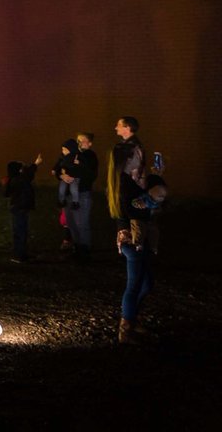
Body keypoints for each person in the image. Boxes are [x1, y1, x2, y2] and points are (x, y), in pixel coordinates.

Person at [106, 116, 164, 344]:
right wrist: (152, 197)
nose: (140, 158)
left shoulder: (130, 182)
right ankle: (126, 329)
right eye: (136, 156)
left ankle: (131, 320)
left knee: (147, 283)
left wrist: (156, 180)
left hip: (140, 233)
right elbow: (135, 207)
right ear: (128, 160)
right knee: (134, 284)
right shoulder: (125, 186)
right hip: (133, 236)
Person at [63, 132, 99, 260]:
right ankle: (76, 247)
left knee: (82, 223)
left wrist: (80, 165)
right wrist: (61, 175)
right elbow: (60, 168)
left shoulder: (90, 156)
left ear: (90, 143)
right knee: (71, 223)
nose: (79, 143)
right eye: (78, 140)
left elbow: (91, 175)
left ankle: (84, 250)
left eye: (82, 140)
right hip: (69, 194)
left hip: (82, 193)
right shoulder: (71, 154)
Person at [3, 159, 36, 262]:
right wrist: (34, 165)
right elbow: (28, 176)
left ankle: (19, 252)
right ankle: (20, 255)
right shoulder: (19, 180)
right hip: (20, 208)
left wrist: (35, 164)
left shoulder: (12, 179)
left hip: (16, 208)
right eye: (21, 168)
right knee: (21, 231)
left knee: (19, 230)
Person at [51, 138, 80, 209]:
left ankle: (75, 202)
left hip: (73, 177)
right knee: (61, 188)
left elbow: (78, 168)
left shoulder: (76, 157)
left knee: (74, 189)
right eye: (62, 149)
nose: (63, 151)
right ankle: (61, 201)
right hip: (64, 176)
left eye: (65, 149)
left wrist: (72, 175)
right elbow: (58, 164)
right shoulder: (62, 157)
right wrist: (54, 169)